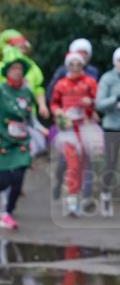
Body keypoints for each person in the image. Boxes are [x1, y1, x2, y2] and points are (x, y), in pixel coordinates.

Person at [0, 58, 49, 230]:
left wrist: (40, 128)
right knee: (5, 180)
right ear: (7, 72)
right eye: (13, 69)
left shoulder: (26, 91)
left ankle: (6, 213)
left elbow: (30, 118)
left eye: (20, 69)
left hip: (21, 141)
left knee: (18, 178)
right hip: (2, 139)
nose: (17, 72)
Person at [51, 51, 100, 216]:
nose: (75, 68)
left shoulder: (90, 82)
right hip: (68, 129)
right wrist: (59, 113)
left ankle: (84, 197)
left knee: (87, 164)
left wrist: (91, 103)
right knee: (73, 164)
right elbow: (54, 103)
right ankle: (72, 202)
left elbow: (98, 102)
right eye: (72, 64)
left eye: (78, 64)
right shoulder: (61, 84)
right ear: (67, 66)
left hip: (86, 128)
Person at [95, 47, 120, 217]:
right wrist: (115, 99)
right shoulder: (107, 79)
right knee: (110, 163)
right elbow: (99, 104)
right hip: (112, 126)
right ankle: (105, 195)